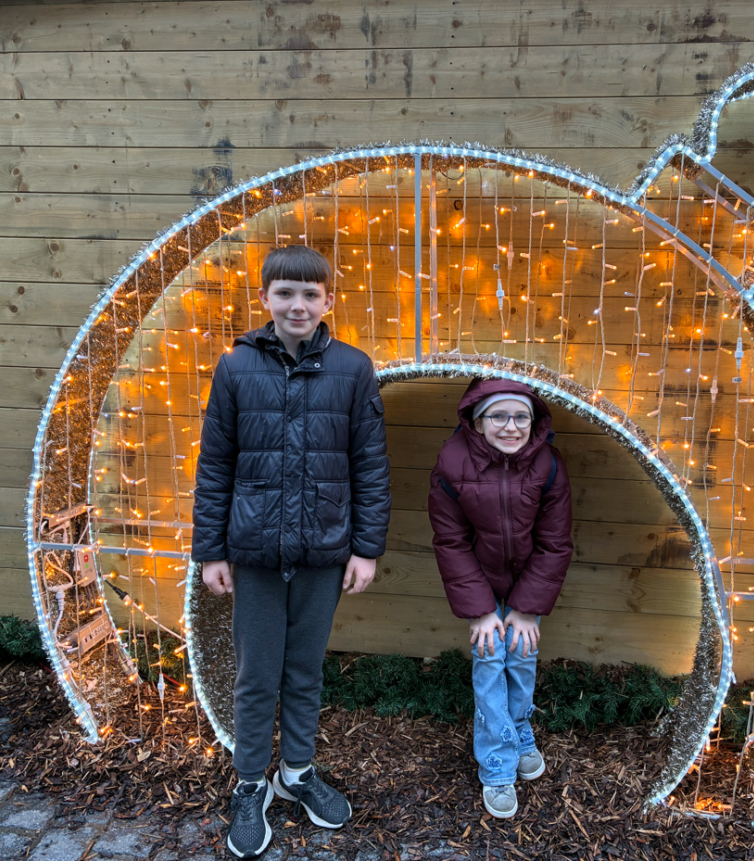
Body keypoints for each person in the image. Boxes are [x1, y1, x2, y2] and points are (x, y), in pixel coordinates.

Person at [191, 245, 391, 858]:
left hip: (323, 551)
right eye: (285, 292)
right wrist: (211, 551)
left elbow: (370, 467)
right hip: (253, 552)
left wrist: (366, 549)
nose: (297, 305)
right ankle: (251, 783)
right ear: (265, 298)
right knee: (256, 674)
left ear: (328, 300)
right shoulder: (235, 367)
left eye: (310, 294)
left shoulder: (353, 369)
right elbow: (215, 464)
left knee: (304, 670)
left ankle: (297, 773)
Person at [427, 378, 573, 819]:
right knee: (490, 659)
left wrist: (526, 609)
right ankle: (497, 762)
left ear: (534, 421)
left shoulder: (548, 464)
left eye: (521, 417)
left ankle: (519, 728)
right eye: (498, 416)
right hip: (481, 582)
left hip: (528, 582)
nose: (511, 427)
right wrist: (480, 610)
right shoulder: (453, 461)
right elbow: (450, 541)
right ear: (477, 421)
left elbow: (555, 542)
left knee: (522, 656)